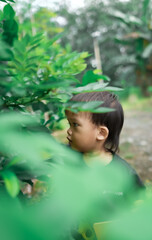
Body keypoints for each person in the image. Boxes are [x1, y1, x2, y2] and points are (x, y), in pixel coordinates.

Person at [65, 91, 145, 239]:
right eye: (69, 124)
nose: (68, 131)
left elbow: (140, 208)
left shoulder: (124, 174)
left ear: (101, 133)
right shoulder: (65, 159)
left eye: (75, 125)